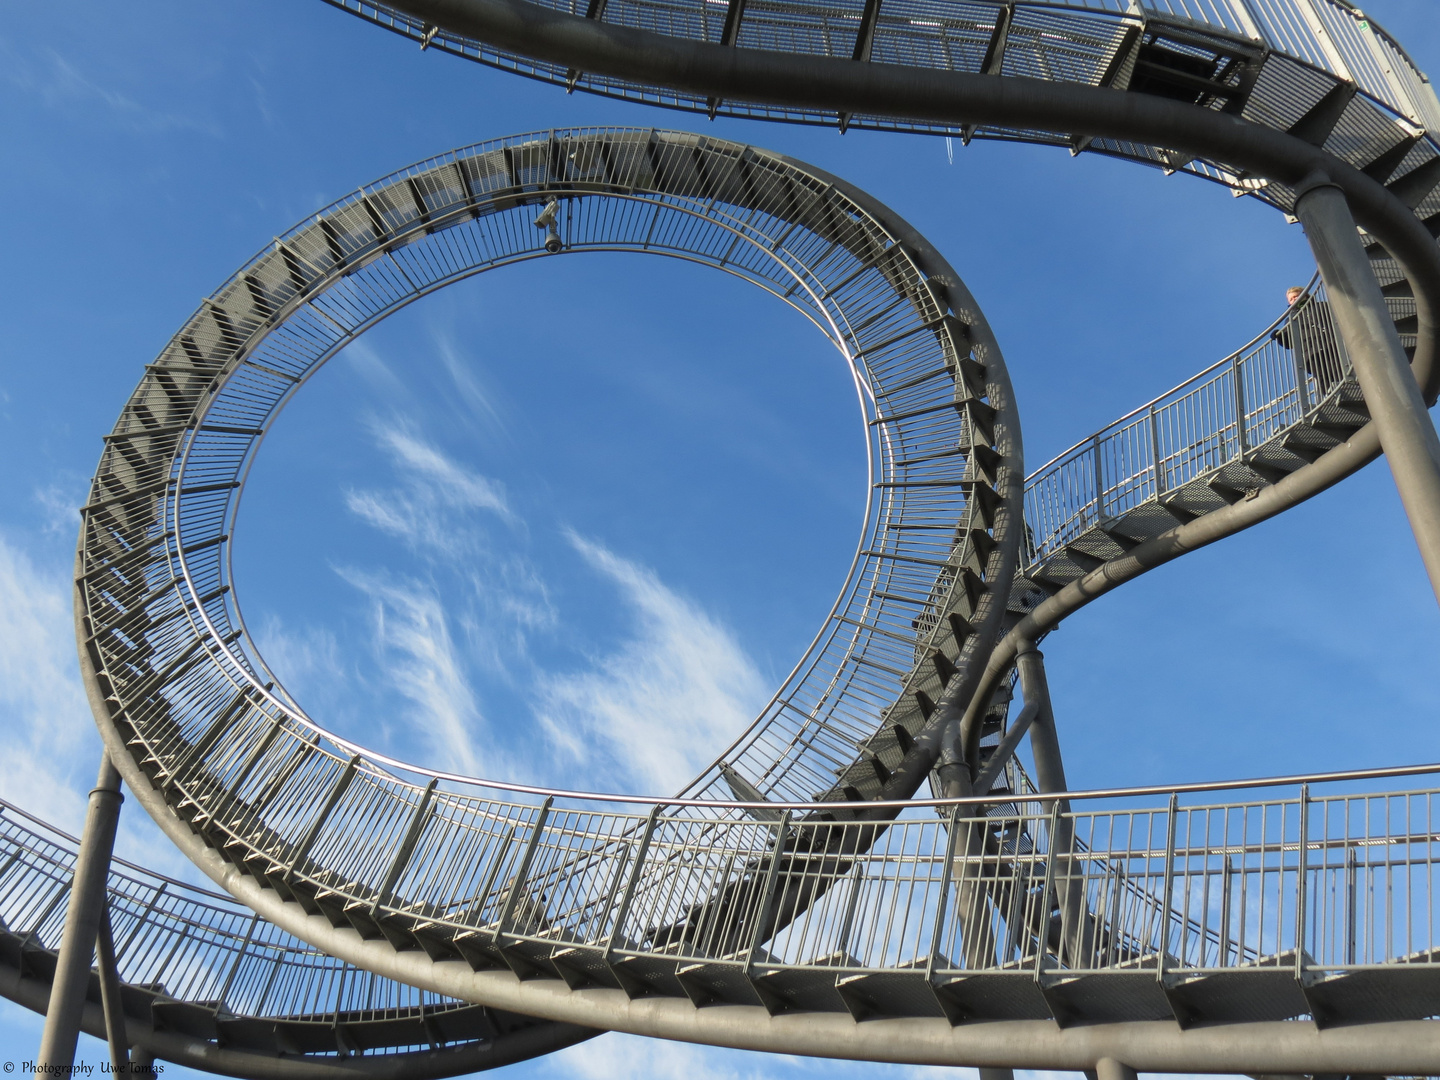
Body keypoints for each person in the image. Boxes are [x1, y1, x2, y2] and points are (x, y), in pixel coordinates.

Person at [1273, 285, 1344, 395]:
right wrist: (1279, 336)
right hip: (1310, 353)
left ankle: (1345, 388)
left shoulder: (1322, 306)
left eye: (1296, 296)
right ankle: (1330, 396)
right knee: (1322, 376)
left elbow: (1338, 320)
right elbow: (1289, 342)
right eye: (1291, 299)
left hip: (1330, 345)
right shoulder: (1291, 319)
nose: (1294, 300)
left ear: (1305, 295)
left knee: (1337, 369)